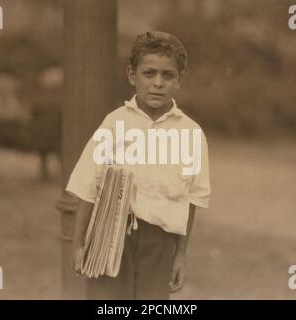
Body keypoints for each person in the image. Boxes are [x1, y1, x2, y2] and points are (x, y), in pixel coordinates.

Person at [65, 31, 211, 299]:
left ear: (179, 80)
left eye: (168, 75)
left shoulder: (191, 134)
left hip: (160, 242)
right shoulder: (114, 124)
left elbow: (191, 200)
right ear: (132, 76)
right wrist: (78, 245)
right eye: (149, 73)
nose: (158, 83)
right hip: (110, 236)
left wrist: (180, 255)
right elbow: (88, 189)